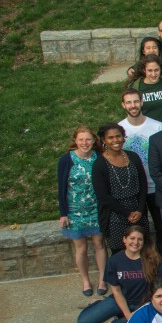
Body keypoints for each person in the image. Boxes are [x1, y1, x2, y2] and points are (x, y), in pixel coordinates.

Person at [76, 226, 162, 323]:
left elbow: (159, 288)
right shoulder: (114, 261)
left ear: (144, 242)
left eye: (139, 239)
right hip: (121, 300)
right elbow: (116, 291)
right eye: (132, 238)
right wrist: (127, 314)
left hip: (145, 303)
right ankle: (100, 304)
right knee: (84, 322)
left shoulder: (154, 259)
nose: (135, 242)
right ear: (124, 240)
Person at [58, 126, 107, 296]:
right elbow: (61, 188)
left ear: (94, 141)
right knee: (81, 248)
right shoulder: (66, 160)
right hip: (75, 211)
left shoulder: (100, 158)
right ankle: (85, 280)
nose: (84, 143)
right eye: (81, 140)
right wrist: (63, 213)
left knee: (99, 244)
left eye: (88, 139)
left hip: (96, 209)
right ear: (75, 141)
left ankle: (102, 278)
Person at [93, 123, 149, 254]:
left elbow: (143, 184)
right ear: (104, 140)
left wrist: (140, 210)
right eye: (110, 137)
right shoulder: (100, 164)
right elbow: (103, 196)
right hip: (115, 216)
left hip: (138, 212)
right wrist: (127, 214)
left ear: (123, 137)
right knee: (120, 253)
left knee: (143, 251)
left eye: (118, 136)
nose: (115, 140)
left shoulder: (133, 157)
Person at [127, 55, 162, 123]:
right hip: (147, 128)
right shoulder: (135, 87)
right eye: (150, 71)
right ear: (144, 70)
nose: (153, 74)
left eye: (156, 70)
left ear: (160, 69)